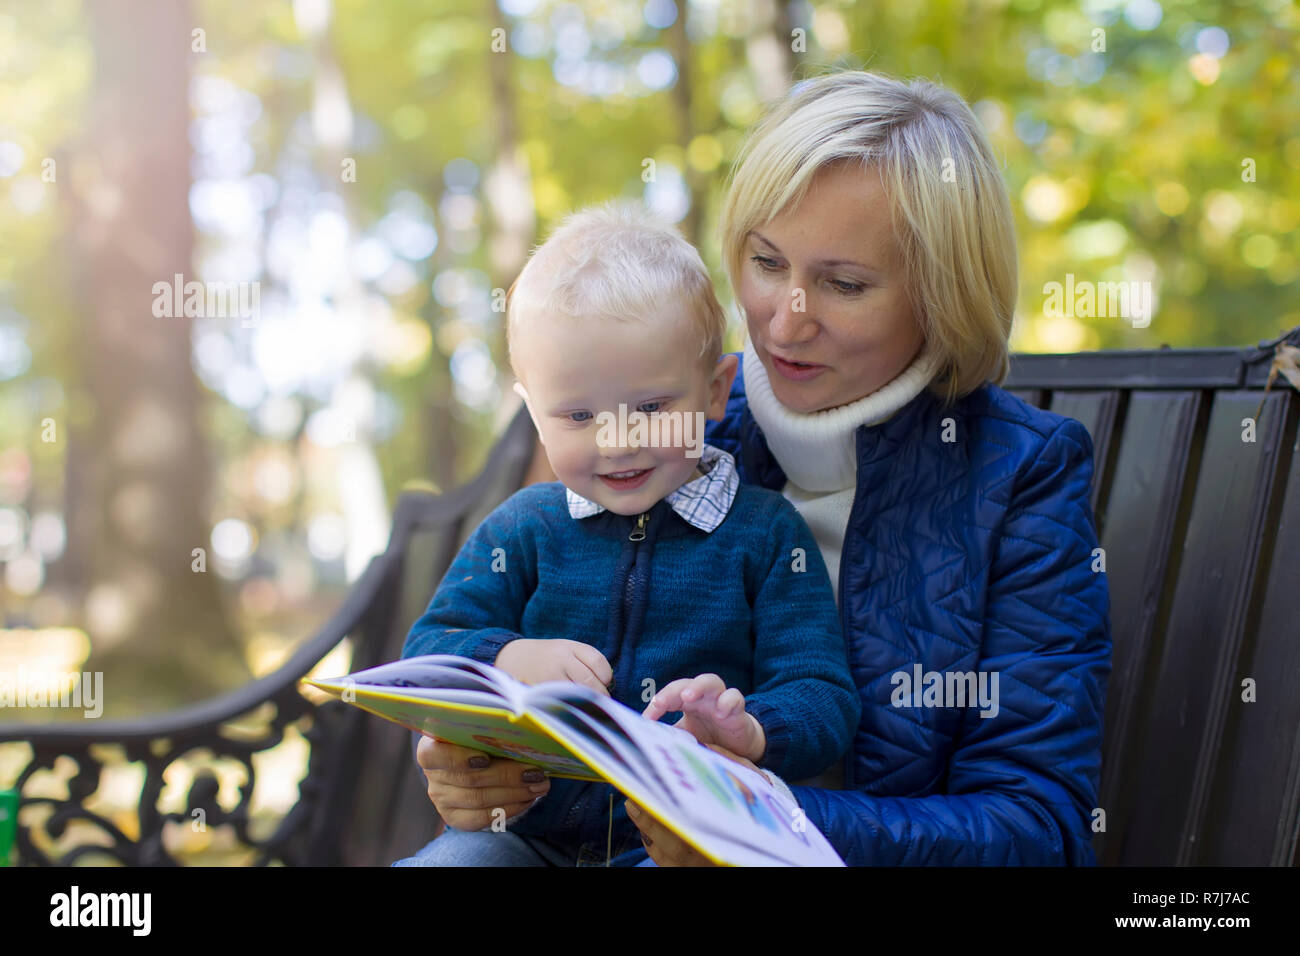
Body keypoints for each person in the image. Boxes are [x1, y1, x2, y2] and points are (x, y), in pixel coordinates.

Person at [411, 69, 1111, 867]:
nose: (785, 319)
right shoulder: (667, 430)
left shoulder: (1018, 477)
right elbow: (490, 650)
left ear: (941, 294)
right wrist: (472, 769)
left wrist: (752, 822)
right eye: (768, 262)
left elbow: (1039, 832)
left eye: (844, 283)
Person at [392, 200, 860, 867]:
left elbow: (821, 690)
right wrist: (504, 659)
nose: (618, 441)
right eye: (578, 415)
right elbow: (427, 652)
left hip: (676, 839)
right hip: (518, 831)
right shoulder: (525, 528)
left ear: (715, 390)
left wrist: (751, 729)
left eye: (650, 407)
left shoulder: (762, 534)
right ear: (533, 412)